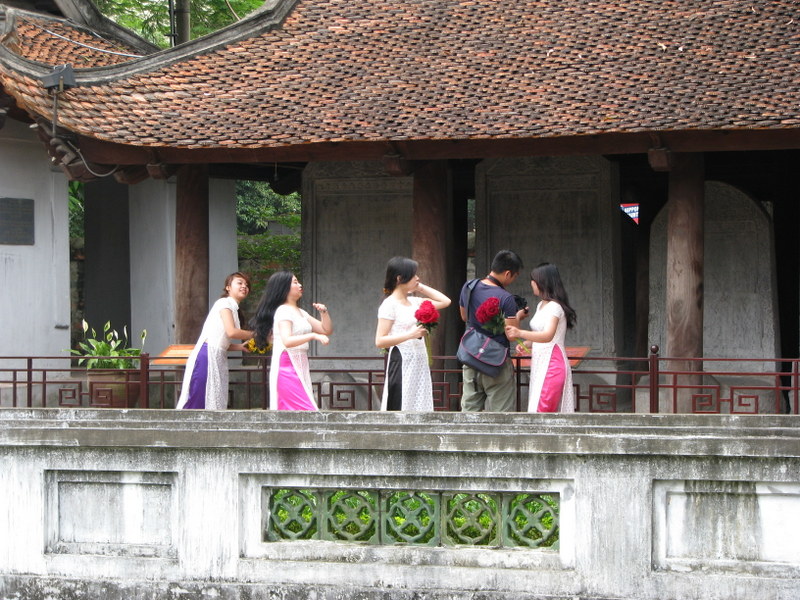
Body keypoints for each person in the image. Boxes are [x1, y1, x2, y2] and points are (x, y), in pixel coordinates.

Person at [375, 257, 451, 411]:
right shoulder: (389, 305)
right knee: (401, 402)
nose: (417, 278)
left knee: (420, 401)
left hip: (419, 359)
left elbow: (445, 301)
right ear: (399, 278)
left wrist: (420, 287)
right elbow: (380, 341)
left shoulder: (415, 302)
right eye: (413, 275)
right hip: (402, 359)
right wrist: (410, 335)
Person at [250, 271, 332, 410]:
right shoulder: (283, 311)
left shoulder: (301, 312)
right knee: (304, 409)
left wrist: (324, 312)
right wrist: (312, 336)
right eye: (295, 282)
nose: (300, 285)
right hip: (287, 364)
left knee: (303, 409)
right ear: (284, 287)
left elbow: (326, 330)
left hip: (301, 363)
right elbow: (287, 340)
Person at [176, 272, 254, 410]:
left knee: (215, 399)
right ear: (228, 287)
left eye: (246, 285)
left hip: (217, 356)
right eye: (240, 283)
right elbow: (231, 332)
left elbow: (221, 341)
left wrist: (240, 347)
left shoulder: (233, 308)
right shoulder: (224, 303)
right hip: (207, 356)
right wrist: (256, 335)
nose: (244, 286)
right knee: (200, 396)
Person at [459, 250, 526, 412]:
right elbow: (511, 334)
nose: (513, 280)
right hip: (497, 363)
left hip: (472, 358)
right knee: (501, 416)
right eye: (515, 276)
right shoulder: (506, 298)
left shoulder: (469, 287)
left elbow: (464, 317)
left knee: (469, 414)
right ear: (508, 273)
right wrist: (519, 315)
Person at [505, 263, 577, 413]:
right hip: (540, 363)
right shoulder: (540, 305)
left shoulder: (555, 307)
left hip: (552, 364)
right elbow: (540, 334)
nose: (531, 283)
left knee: (542, 409)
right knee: (538, 407)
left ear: (542, 282)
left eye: (533, 280)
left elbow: (548, 335)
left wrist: (520, 333)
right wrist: (527, 343)